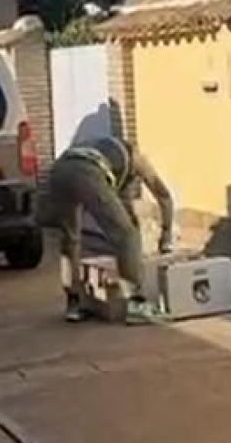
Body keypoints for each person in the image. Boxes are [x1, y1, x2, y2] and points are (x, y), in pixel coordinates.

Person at [39, 135, 175, 324]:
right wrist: (166, 235)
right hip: (87, 172)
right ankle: (136, 305)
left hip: (59, 171)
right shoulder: (136, 158)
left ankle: (74, 303)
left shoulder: (103, 149)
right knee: (128, 236)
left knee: (71, 239)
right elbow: (164, 195)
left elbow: (122, 205)